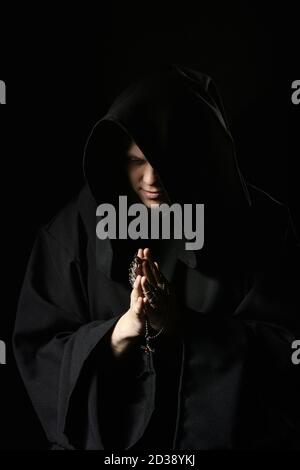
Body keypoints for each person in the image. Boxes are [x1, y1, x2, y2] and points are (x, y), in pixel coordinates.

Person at [14, 64, 300, 450]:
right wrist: (119, 334)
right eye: (135, 161)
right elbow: (40, 350)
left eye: (164, 162)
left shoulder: (263, 226)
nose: (150, 179)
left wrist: (184, 327)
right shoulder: (72, 230)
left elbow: (287, 354)